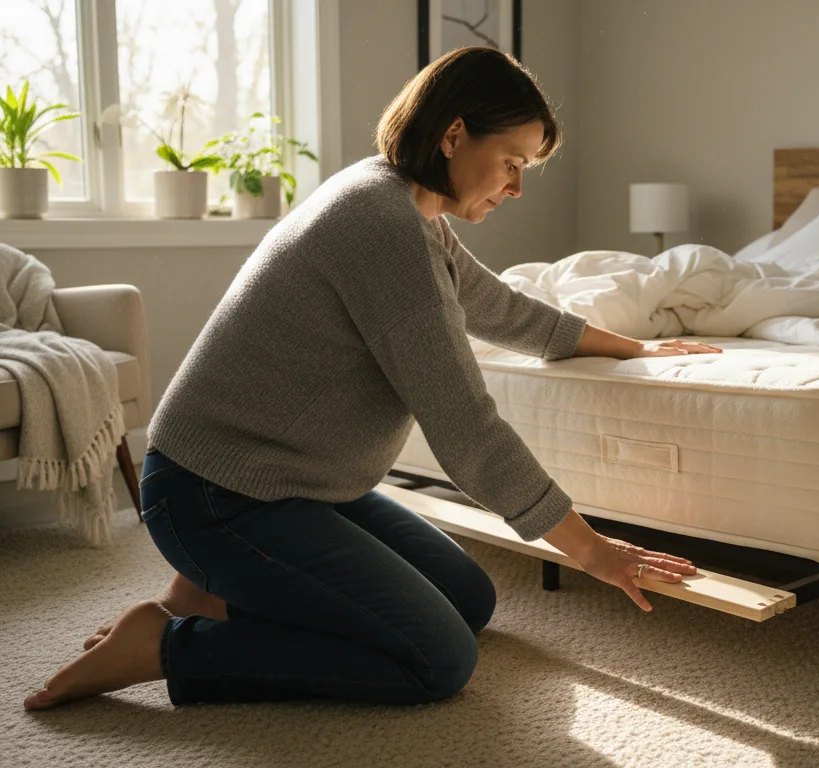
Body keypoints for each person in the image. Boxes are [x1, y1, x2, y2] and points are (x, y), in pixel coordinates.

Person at [24, 46, 720, 711]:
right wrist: (595, 552)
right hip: (217, 493)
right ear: (453, 134)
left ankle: (212, 592)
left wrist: (635, 347)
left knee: (469, 602)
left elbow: (498, 308)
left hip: (304, 486)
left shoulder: (404, 202)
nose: (514, 188)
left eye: (524, 170)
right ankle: (170, 646)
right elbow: (467, 430)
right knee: (437, 661)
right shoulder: (381, 224)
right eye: (510, 163)